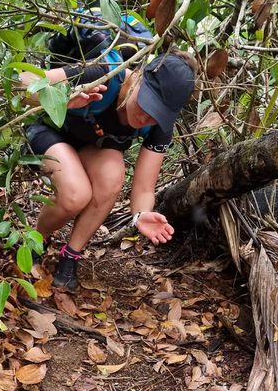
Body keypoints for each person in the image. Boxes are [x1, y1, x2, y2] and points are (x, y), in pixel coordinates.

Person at [20, 50, 196, 291]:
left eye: (158, 115)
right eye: (147, 103)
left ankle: (71, 255)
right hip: (49, 131)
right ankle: (35, 240)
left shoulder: (159, 129)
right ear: (136, 77)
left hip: (89, 148)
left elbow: (144, 187)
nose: (147, 117)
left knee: (113, 172)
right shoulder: (104, 73)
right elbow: (22, 83)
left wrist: (141, 215)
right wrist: (62, 97)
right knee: (76, 194)